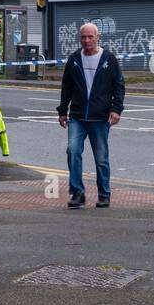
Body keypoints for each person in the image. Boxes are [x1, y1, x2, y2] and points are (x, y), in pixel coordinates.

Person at [57, 23, 124, 208]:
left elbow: (119, 86)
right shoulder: (74, 59)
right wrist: (63, 110)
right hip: (77, 117)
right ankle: (77, 193)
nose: (86, 41)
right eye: (83, 37)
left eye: (90, 37)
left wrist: (116, 109)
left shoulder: (109, 59)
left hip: (100, 117)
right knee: (73, 151)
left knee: (101, 158)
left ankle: (104, 194)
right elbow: (66, 87)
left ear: (98, 37)